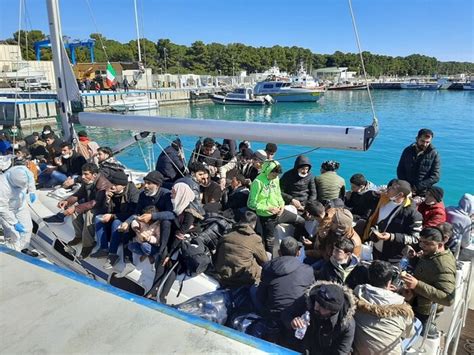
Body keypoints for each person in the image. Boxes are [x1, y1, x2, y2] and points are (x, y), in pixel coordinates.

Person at [401, 227, 456, 336]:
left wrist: (417, 285)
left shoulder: (443, 265)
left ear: (440, 245)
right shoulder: (432, 254)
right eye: (421, 242)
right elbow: (427, 268)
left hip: (424, 314)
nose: (421, 246)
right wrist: (414, 258)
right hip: (414, 302)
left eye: (426, 243)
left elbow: (448, 298)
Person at [353, 260, 415, 355]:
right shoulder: (403, 308)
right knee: (418, 325)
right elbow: (408, 334)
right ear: (389, 282)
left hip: (359, 352)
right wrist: (406, 301)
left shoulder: (358, 293)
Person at [282, 281, 356, 354]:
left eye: (322, 307)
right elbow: (286, 314)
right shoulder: (308, 301)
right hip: (297, 349)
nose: (316, 307)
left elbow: (341, 352)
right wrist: (291, 322)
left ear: (333, 311)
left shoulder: (346, 325)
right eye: (317, 302)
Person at [247, 160, 305, 254]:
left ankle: (295, 246)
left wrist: (282, 205)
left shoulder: (276, 179)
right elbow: (251, 203)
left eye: (277, 175)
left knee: (301, 221)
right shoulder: (257, 182)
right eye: (273, 175)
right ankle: (271, 259)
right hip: (266, 216)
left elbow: (278, 195)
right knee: (270, 241)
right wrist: (268, 208)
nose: (275, 177)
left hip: (279, 212)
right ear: (268, 171)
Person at [256, 237, 314, 328]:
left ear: (279, 252)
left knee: (253, 289)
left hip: (273, 314)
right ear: (298, 253)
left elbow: (261, 296)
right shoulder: (308, 270)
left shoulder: (268, 267)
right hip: (297, 317)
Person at [57, 163, 112, 258]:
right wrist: (67, 201)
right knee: (75, 210)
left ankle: (88, 245)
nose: (83, 176)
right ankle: (79, 236)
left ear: (94, 175)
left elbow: (97, 202)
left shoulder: (103, 184)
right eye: (82, 174)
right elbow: (79, 194)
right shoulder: (87, 180)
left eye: (86, 174)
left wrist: (75, 208)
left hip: (104, 208)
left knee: (89, 214)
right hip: (92, 203)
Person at [362, 179, 423, 263]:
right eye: (390, 186)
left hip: (392, 255)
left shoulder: (412, 214)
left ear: (400, 194)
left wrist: (391, 236)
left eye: (393, 188)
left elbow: (415, 238)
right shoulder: (383, 200)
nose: (389, 188)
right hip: (375, 248)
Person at [90, 170, 140, 263]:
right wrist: (107, 200)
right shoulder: (110, 191)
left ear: (123, 185)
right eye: (112, 183)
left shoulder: (133, 193)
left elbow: (134, 212)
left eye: (116, 184)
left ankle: (112, 254)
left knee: (116, 222)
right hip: (114, 217)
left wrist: (112, 216)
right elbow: (105, 210)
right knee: (98, 218)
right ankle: (103, 249)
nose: (113, 186)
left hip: (127, 220)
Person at [214, 211, 268, 288]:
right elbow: (264, 261)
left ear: (240, 221)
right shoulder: (255, 239)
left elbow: (216, 254)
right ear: (254, 224)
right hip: (241, 278)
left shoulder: (227, 233)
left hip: (222, 273)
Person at [0, 165, 36, 252]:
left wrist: (32, 191)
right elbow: (2, 208)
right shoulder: (2, 187)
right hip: (8, 210)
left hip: (21, 205)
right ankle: (13, 252)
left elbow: (30, 178)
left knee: (28, 228)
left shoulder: (22, 169)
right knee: (13, 235)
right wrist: (14, 223)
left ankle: (23, 249)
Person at [397, 128, 440, 197]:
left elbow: (435, 177)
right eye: (422, 141)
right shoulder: (407, 151)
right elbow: (400, 169)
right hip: (406, 189)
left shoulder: (434, 154)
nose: (425, 144)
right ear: (417, 138)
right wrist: (406, 186)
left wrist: (416, 188)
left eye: (427, 142)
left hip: (422, 192)